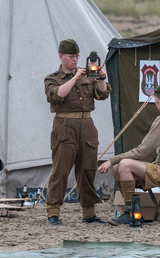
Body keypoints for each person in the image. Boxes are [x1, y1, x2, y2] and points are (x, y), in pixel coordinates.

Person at [98, 81, 160, 224]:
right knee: (117, 167)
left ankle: (130, 212)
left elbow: (141, 152)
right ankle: (132, 205)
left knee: (124, 164)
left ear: (156, 100)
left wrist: (111, 160)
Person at [43, 38, 111, 226]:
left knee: (87, 170)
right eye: (71, 57)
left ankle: (89, 212)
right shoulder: (52, 78)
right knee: (61, 170)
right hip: (65, 125)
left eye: (77, 56)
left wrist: (102, 79)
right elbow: (56, 95)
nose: (75, 60)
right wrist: (74, 78)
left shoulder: (88, 75)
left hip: (87, 125)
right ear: (61, 56)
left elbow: (103, 94)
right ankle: (53, 212)